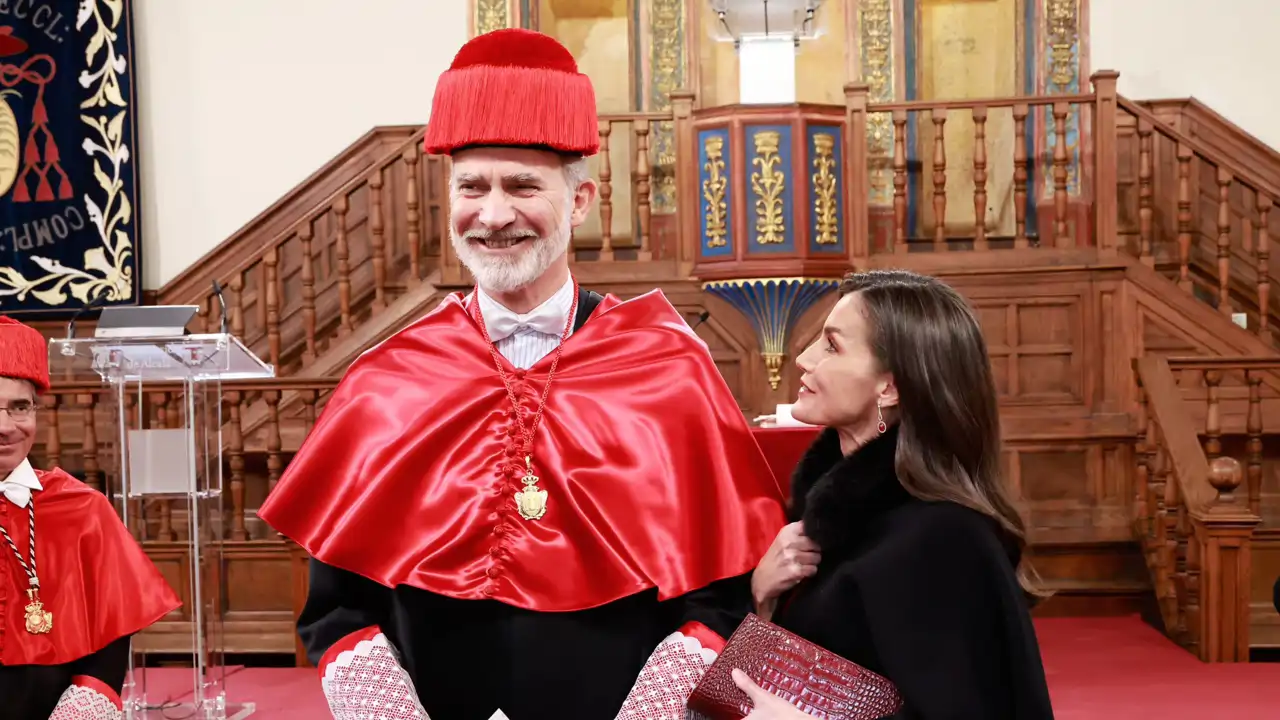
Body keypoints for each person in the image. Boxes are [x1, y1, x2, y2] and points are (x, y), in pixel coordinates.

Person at [256, 28, 787, 720]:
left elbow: (719, 600)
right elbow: (335, 614)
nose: (494, 214)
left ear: (582, 202)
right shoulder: (388, 380)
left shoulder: (668, 367)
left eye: (523, 185)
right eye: (471, 186)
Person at [737, 270, 1056, 719]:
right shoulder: (834, 518)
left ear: (889, 387)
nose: (805, 359)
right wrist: (761, 598)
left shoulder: (947, 538)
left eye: (832, 346)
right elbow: (766, 684)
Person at [0, 316, 183, 720]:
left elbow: (111, 638)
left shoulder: (83, 508)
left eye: (20, 407)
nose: (5, 427)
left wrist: (83, 708)